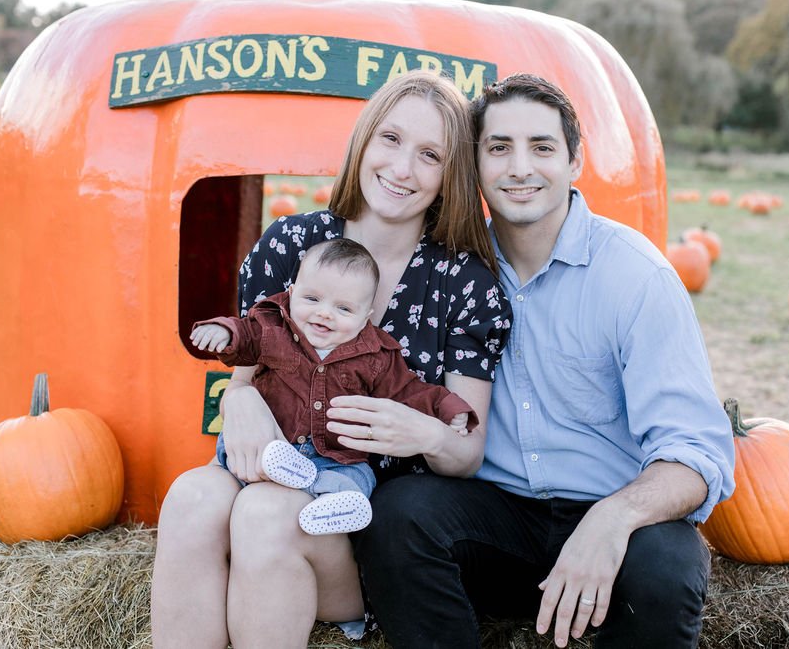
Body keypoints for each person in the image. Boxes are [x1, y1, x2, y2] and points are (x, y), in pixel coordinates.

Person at [352, 73, 736, 648]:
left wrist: (612, 518)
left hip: (614, 517)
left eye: (542, 147)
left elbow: (697, 454)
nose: (519, 168)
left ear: (574, 160)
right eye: (499, 148)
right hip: (496, 520)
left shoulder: (636, 276)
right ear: (474, 164)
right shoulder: (453, 274)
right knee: (399, 513)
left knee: (665, 566)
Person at [151, 70, 512, 649]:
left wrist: (419, 429)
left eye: (430, 155)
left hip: (368, 522)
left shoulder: (462, 283)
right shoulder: (292, 246)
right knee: (192, 499)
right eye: (390, 140)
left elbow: (465, 452)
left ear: (451, 176)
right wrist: (239, 400)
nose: (401, 169)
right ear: (364, 141)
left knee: (267, 515)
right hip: (274, 470)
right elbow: (247, 370)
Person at [189, 237, 477, 536]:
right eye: (312, 299)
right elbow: (244, 334)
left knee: (357, 477)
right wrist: (222, 331)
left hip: (334, 458)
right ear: (291, 293)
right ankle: (285, 471)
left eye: (343, 308)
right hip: (270, 442)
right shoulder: (272, 327)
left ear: (366, 317)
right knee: (235, 447)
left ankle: (338, 507)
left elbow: (410, 392)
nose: (324, 313)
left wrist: (448, 408)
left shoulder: (376, 356)